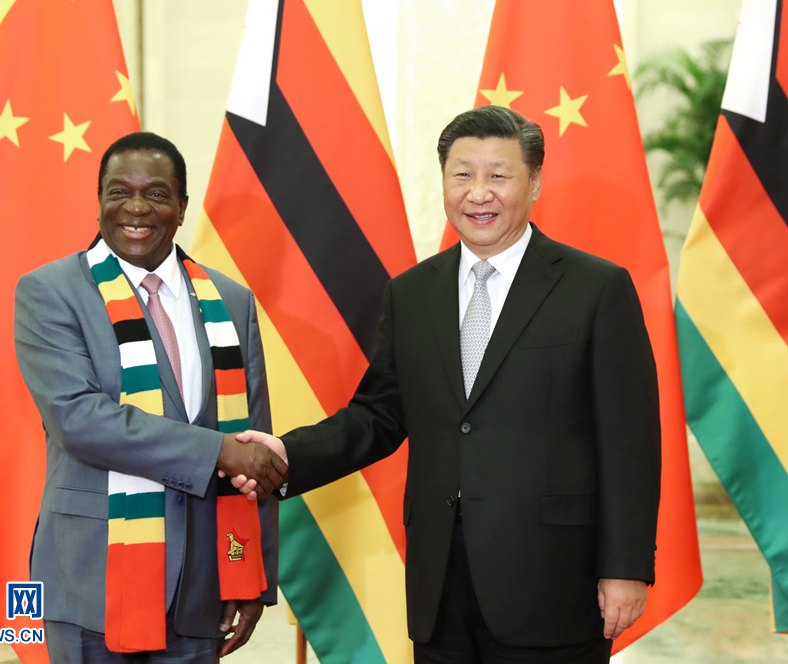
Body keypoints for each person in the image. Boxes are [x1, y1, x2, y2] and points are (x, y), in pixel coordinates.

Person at [238, 106, 661, 663]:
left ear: (535, 182)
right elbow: (379, 414)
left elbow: (630, 442)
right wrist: (286, 456)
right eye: (462, 174)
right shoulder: (413, 292)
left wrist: (626, 567)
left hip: (552, 582)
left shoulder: (595, 288)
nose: (478, 193)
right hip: (440, 587)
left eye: (498, 175)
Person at [14, 132, 287, 663]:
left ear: (181, 207)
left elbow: (255, 446)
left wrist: (254, 575)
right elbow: (78, 419)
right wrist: (216, 451)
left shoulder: (231, 301)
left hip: (201, 588)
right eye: (120, 192)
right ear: (99, 201)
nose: (136, 208)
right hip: (92, 583)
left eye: (156, 194)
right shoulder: (50, 291)